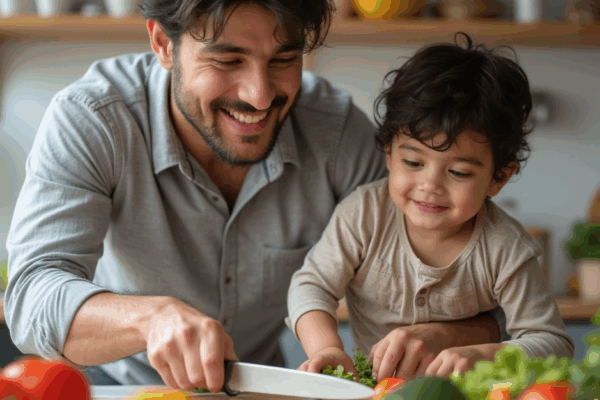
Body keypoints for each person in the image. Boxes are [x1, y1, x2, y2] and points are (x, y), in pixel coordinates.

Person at [5, 0, 503, 393]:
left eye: (284, 60)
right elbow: (31, 297)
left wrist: (445, 334)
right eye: (228, 60)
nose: (260, 95)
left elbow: (474, 302)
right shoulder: (94, 117)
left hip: (265, 390)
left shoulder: (338, 135)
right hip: (111, 389)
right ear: (163, 44)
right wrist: (150, 319)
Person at [287, 33, 575, 383]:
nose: (431, 186)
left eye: (458, 172)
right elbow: (310, 286)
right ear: (389, 154)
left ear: (498, 177)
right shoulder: (363, 214)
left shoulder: (507, 248)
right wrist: (326, 349)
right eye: (413, 162)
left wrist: (484, 355)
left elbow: (554, 344)